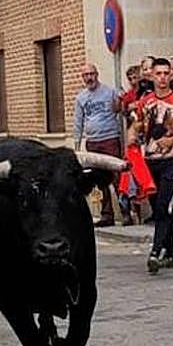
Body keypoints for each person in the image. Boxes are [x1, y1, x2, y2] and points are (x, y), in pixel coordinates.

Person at [133, 58, 173, 274]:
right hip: (150, 161)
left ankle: (156, 251)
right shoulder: (145, 101)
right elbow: (136, 127)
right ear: (151, 76)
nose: (162, 77)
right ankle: (171, 252)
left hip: (172, 159)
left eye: (165, 73)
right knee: (159, 208)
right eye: (158, 73)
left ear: (171, 76)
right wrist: (131, 142)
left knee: (163, 206)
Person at [72, 63, 124, 226]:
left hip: (110, 138)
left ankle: (126, 212)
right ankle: (107, 215)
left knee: (117, 177)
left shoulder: (110, 92)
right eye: (86, 75)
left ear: (97, 74)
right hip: (92, 142)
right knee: (100, 180)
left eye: (92, 74)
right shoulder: (81, 98)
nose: (89, 78)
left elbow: (121, 109)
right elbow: (78, 121)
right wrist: (77, 144)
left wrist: (122, 99)